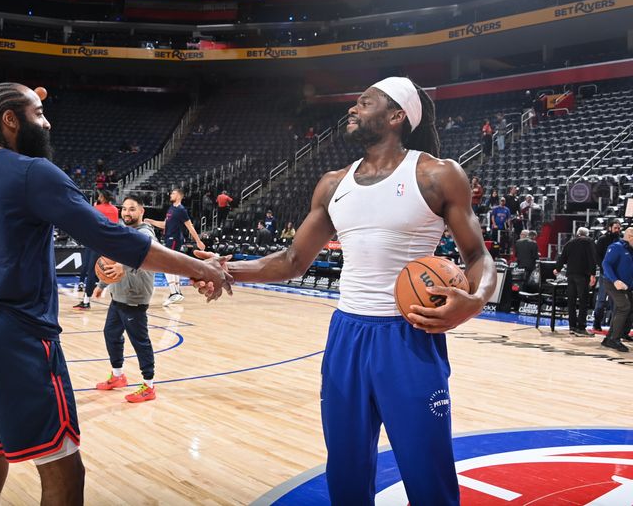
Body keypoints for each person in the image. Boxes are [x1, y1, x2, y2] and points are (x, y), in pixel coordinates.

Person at [0, 82, 231, 506]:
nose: (47, 123)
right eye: (38, 114)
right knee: (64, 474)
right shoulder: (33, 172)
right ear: (10, 119)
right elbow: (118, 239)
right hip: (16, 337)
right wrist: (200, 267)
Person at [196, 76, 496, 503]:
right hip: (346, 336)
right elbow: (291, 261)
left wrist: (475, 301)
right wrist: (226, 270)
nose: (352, 109)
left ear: (396, 116)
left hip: (409, 334)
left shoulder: (437, 174)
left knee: (427, 471)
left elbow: (479, 256)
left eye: (364, 102)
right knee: (347, 468)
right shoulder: (333, 183)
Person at [95, 195, 158, 403]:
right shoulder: (123, 232)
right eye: (124, 209)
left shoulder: (145, 233)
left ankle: (149, 385)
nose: (127, 213)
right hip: (118, 295)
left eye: (132, 209)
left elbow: (148, 257)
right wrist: (102, 285)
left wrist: (126, 265)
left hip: (134, 297)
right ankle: (118, 375)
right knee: (111, 334)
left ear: (142, 212)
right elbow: (113, 259)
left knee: (140, 341)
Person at [145, 188, 205, 306]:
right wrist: (150, 221)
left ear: (179, 195)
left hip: (174, 239)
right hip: (169, 238)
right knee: (172, 266)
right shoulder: (171, 208)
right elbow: (164, 224)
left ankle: (174, 293)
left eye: (173, 193)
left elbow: (190, 226)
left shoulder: (181, 210)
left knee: (166, 265)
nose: (170, 194)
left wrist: (198, 241)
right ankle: (177, 293)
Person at [73, 190, 118, 310]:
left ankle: (86, 301)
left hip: (95, 242)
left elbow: (89, 224)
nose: (98, 197)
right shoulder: (115, 209)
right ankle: (116, 300)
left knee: (91, 271)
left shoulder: (96, 208)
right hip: (110, 243)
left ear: (102, 197)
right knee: (111, 271)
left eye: (99, 196)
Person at [554, 227, 597, 337]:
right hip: (583, 275)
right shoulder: (589, 242)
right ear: (587, 234)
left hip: (571, 275)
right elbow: (592, 258)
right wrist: (593, 274)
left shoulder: (570, 242)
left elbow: (562, 257)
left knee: (571, 301)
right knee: (583, 301)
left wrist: (557, 269)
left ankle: (572, 326)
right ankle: (581, 328)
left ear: (577, 234)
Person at [600, 227, 633, 352]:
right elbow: (606, 264)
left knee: (626, 307)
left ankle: (610, 338)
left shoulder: (630, 249)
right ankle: (614, 339)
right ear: (630, 236)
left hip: (627, 285)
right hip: (612, 283)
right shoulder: (616, 247)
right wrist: (615, 281)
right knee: (624, 307)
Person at [593, 219, 621, 332]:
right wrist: (604, 268)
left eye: (619, 228)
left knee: (615, 302)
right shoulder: (602, 239)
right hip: (605, 275)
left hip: (617, 276)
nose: (618, 230)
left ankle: (614, 327)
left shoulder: (620, 240)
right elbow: (597, 256)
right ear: (609, 228)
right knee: (601, 301)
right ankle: (596, 323)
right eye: (616, 228)